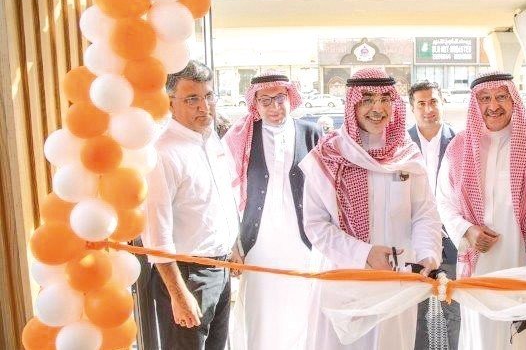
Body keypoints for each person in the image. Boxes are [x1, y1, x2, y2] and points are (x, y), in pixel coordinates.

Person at [299, 67, 442, 350]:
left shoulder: (406, 153)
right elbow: (315, 225)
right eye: (367, 100)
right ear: (352, 104)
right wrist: (364, 254)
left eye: (385, 99)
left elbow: (424, 213)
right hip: (345, 280)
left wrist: (427, 254)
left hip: (397, 281)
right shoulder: (328, 155)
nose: (378, 109)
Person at [437, 70, 526, 350]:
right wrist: (467, 231)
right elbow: (443, 200)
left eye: (501, 96)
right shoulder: (459, 147)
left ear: (513, 99)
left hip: (522, 262)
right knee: (481, 338)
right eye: (485, 98)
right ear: (475, 104)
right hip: (477, 264)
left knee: (522, 339)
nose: (493, 106)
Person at [143, 60, 240, 350]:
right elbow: (155, 233)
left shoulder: (212, 140)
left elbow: (221, 201)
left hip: (221, 269)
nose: (204, 106)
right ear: (170, 102)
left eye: (209, 96)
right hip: (187, 276)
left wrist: (233, 246)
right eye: (192, 99)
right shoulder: (162, 153)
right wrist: (178, 294)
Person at [224, 71, 323, 350]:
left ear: (290, 98)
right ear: (255, 104)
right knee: (261, 313)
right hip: (258, 243)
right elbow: (225, 193)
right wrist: (233, 243)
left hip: (303, 242)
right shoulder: (242, 136)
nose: (274, 107)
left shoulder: (311, 133)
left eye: (280, 98)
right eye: (265, 101)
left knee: (302, 312)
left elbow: (327, 189)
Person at [406, 80, 460, 350]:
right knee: (414, 314)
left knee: (453, 312)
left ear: (442, 102)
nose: (428, 109)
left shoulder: (460, 142)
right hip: (413, 244)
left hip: (452, 243)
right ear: (412, 108)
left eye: (433, 102)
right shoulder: (401, 144)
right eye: (421, 104)